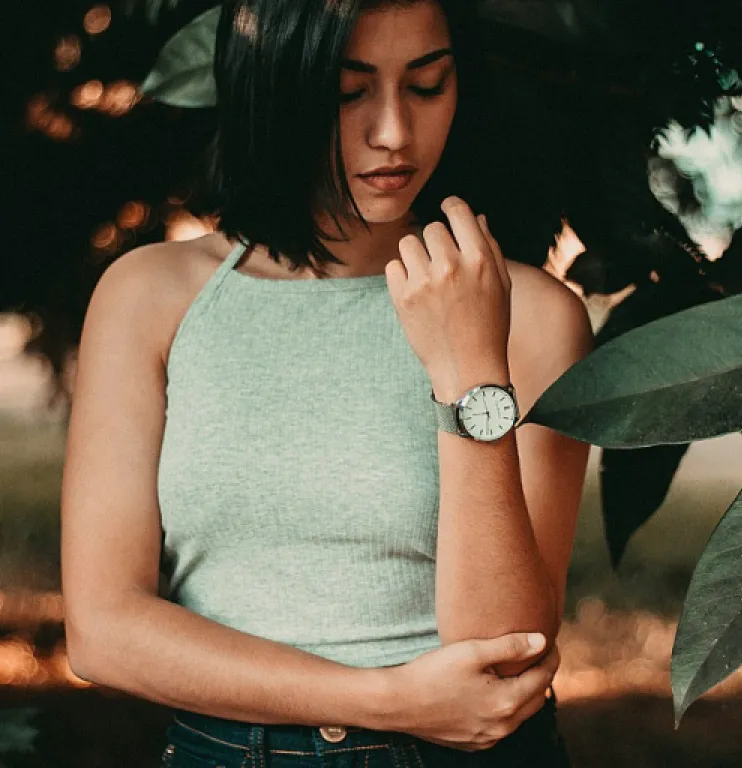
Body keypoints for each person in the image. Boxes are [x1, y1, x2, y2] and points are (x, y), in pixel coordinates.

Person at [60, 0, 594, 765]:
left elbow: (500, 657)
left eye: (427, 85)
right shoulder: (152, 297)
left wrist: (468, 368)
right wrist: (381, 698)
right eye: (348, 94)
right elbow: (103, 633)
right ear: (273, 87)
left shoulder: (533, 315)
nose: (393, 133)